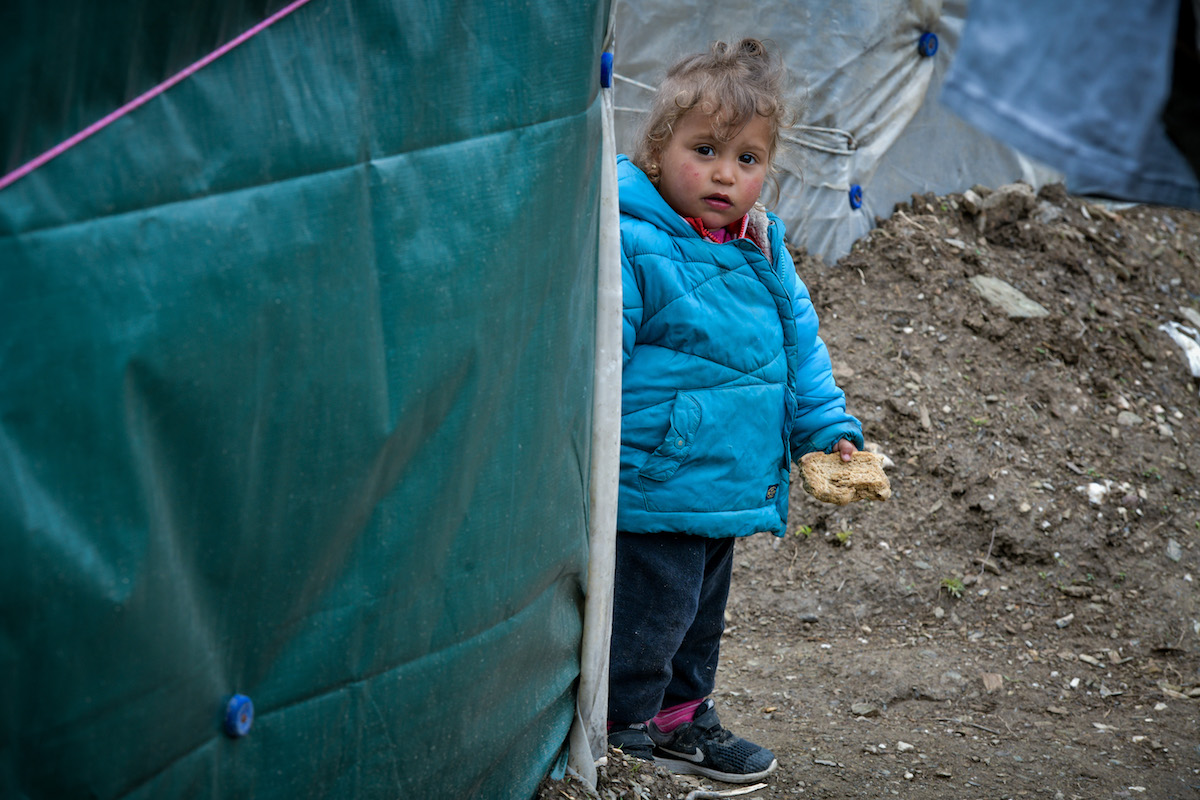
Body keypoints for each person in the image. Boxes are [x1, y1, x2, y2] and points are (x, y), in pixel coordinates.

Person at [608, 38, 864, 784]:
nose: (726, 173)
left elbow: (800, 350)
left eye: (747, 159)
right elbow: (601, 361)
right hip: (654, 477)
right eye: (707, 149)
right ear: (658, 152)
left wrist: (827, 429)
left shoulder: (761, 246)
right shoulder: (633, 239)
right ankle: (623, 736)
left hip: (726, 478)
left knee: (697, 617)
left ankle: (683, 722)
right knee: (649, 616)